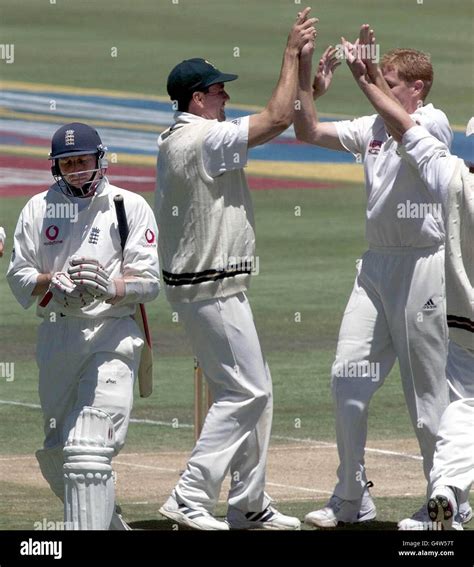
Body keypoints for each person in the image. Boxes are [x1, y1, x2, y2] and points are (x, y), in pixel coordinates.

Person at [293, 24, 468, 529]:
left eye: (390, 82)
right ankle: (351, 496)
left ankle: (446, 506)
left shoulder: (432, 122)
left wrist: (365, 79)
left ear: (418, 88)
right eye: (381, 80)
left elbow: (400, 127)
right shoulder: (372, 125)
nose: (381, 88)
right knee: (346, 382)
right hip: (376, 267)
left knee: (429, 400)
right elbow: (307, 131)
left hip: (426, 267)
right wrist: (307, 78)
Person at [155, 8, 317, 530]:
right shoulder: (200, 139)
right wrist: (291, 54)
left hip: (216, 285)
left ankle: (249, 504)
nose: (226, 96)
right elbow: (272, 118)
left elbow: (277, 121)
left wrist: (310, 87)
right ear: (197, 98)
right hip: (210, 288)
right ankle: (188, 494)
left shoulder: (200, 136)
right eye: (219, 90)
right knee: (247, 392)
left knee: (257, 390)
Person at [341, 42, 473, 530]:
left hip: (451, 304)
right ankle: (447, 501)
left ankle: (446, 496)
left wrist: (364, 77)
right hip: (430, 290)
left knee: (452, 406)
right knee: (454, 406)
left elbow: (413, 134)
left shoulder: (455, 176)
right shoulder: (453, 174)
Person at [7, 122, 160, 530]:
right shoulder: (38, 209)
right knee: (58, 452)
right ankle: (110, 524)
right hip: (57, 334)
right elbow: (18, 275)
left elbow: (150, 283)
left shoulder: (128, 206)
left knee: (89, 446)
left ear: (100, 160)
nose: (77, 169)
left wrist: (110, 285)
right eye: (68, 163)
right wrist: (48, 281)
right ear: (57, 167)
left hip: (112, 332)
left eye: (83, 161)